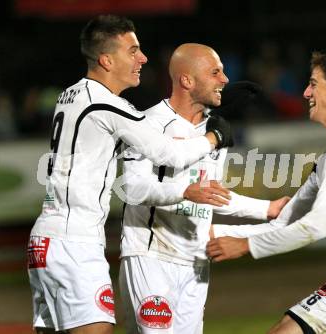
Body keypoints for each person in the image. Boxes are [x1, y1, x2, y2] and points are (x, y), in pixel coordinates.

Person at [26, 16, 233, 334]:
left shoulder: (71, 96)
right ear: (107, 60)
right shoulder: (108, 106)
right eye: (133, 51)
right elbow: (171, 154)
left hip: (46, 239)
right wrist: (214, 136)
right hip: (74, 242)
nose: (143, 58)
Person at [207, 49, 326, 334]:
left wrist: (247, 246)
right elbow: (288, 219)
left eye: (314, 83)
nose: (306, 92)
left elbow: (318, 225)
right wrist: (215, 234)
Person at [118, 43, 290, 334]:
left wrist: (268, 209)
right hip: (151, 256)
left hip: (195, 262)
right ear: (187, 80)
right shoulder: (145, 123)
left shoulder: (216, 131)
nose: (225, 79)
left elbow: (210, 193)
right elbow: (133, 188)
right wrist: (184, 191)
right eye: (215, 72)